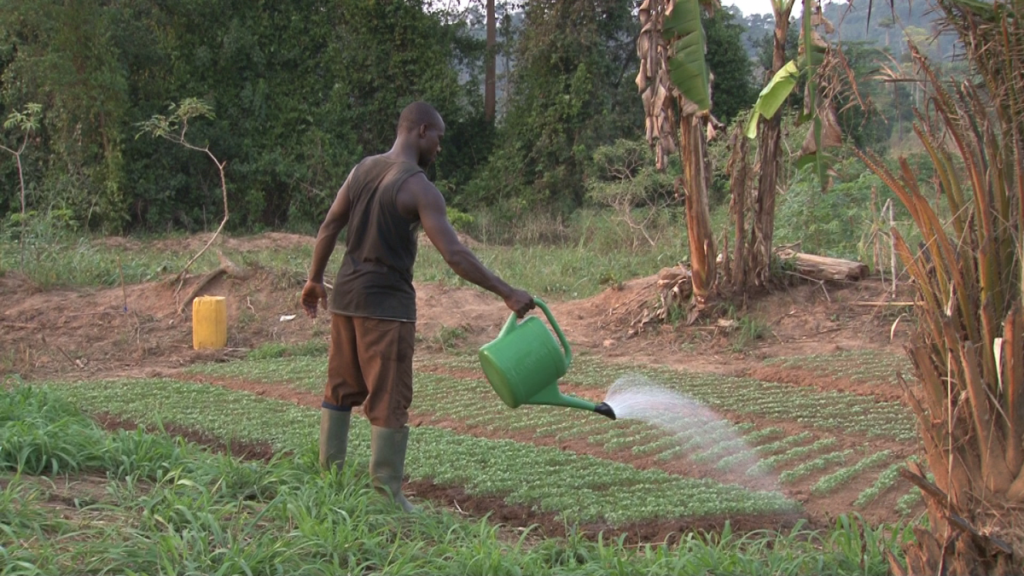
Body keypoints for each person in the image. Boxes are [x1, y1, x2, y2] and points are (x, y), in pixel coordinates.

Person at [300, 101, 535, 512]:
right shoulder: (419, 187)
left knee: (340, 389)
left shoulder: (362, 170)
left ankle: (328, 483)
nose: (439, 149)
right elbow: (455, 255)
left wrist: (315, 280)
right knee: (389, 399)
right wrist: (507, 291)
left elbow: (329, 225)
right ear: (421, 131)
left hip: (346, 301)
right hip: (386, 309)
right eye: (439, 139)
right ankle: (387, 499)